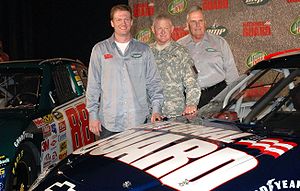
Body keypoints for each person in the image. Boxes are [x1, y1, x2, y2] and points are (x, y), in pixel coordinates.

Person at [86, 4, 164, 139]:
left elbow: (154, 83)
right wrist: (93, 115)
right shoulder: (100, 50)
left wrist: (156, 110)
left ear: (132, 22)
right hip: (109, 123)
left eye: (126, 19)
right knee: (109, 161)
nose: (123, 23)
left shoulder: (144, 50)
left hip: (138, 122)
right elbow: (93, 86)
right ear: (112, 23)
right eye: (118, 19)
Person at [177, 5, 239, 109]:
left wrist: (236, 97)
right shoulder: (179, 46)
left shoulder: (219, 43)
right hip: (190, 101)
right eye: (193, 22)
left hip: (218, 96)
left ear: (205, 23)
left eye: (200, 21)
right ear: (187, 25)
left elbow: (231, 72)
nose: (197, 25)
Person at [150, 14, 201, 118]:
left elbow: (192, 82)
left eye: (166, 28)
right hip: (151, 114)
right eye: (159, 28)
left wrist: (191, 104)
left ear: (172, 29)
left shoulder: (181, 52)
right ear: (153, 29)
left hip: (175, 114)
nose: (163, 32)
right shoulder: (147, 52)